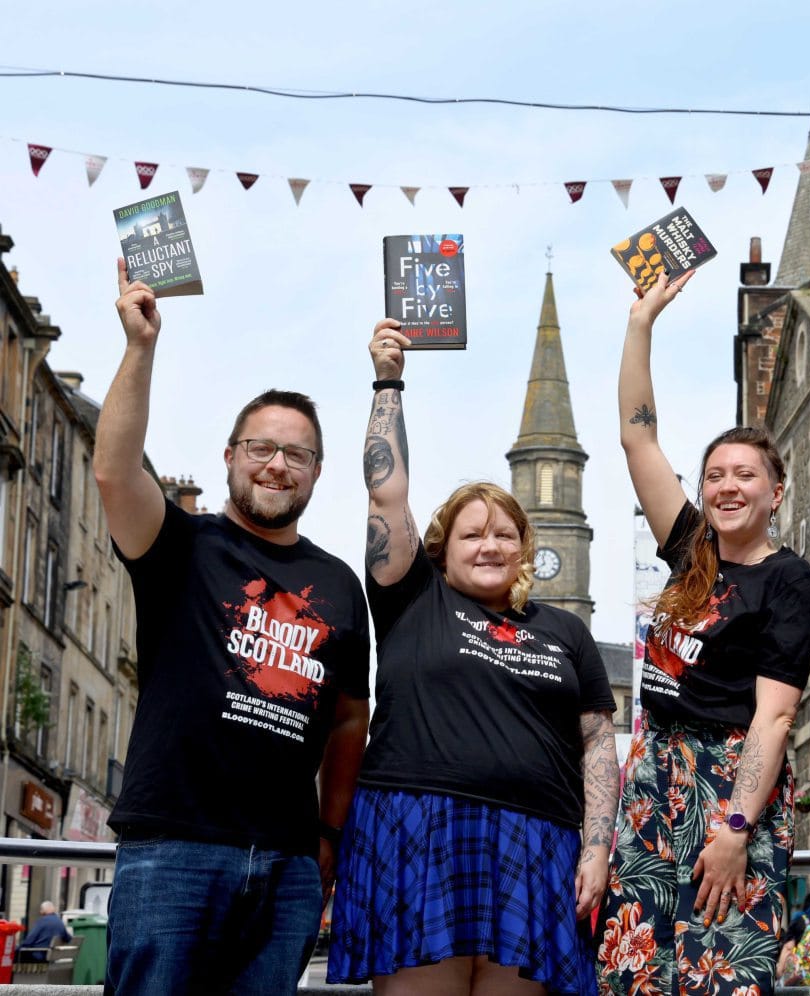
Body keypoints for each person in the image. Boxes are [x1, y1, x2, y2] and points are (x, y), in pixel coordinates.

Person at [96, 261, 371, 995]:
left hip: (286, 865)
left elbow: (349, 720)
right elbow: (114, 476)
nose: (278, 465)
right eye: (261, 448)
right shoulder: (181, 544)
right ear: (230, 457)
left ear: (317, 472)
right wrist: (140, 349)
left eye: (298, 454)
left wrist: (328, 840)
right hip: (173, 851)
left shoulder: (340, 585)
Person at [327, 321, 618, 996]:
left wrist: (597, 846)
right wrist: (388, 381)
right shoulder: (411, 598)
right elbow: (385, 493)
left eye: (505, 533)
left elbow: (598, 744)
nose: (489, 544)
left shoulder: (564, 631)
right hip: (415, 828)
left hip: (537, 841)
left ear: (524, 546)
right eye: (472, 533)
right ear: (441, 546)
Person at [597, 272, 810, 996]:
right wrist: (642, 323)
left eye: (746, 475)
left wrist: (734, 827)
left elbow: (776, 716)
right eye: (716, 474)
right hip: (653, 770)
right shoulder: (692, 546)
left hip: (729, 781)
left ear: (775, 492)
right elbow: (638, 439)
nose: (727, 486)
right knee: (637, 969)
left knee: (718, 971)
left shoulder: (788, 581)